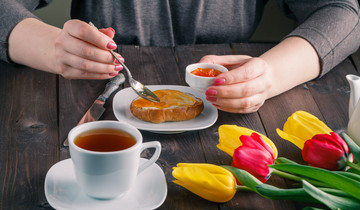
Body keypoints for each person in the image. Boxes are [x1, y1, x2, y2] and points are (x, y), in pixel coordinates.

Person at [1, 0, 360, 113]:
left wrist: (270, 76)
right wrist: (53, 48)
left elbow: (346, 13)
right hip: (86, 104)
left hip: (238, 118)